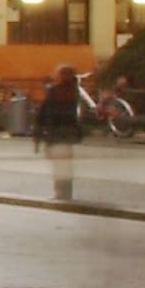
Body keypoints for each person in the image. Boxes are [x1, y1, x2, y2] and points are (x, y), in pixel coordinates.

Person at [36, 63, 90, 204]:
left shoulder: (54, 90)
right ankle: (67, 192)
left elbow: (45, 111)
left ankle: (60, 193)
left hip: (56, 132)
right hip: (69, 131)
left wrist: (40, 131)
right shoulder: (74, 91)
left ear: (60, 76)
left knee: (58, 164)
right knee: (66, 163)